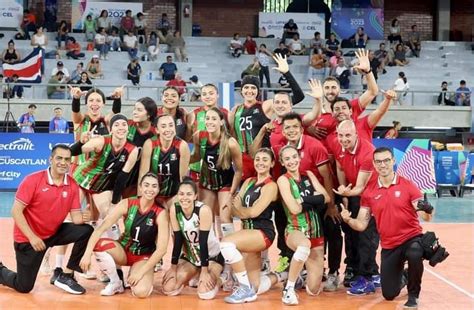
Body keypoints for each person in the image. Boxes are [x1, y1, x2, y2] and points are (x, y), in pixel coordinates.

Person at [341, 147, 434, 309]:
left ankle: (413, 296)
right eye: (378, 161)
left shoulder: (407, 185)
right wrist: (348, 219)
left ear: (393, 161)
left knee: (415, 252)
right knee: (389, 294)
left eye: (386, 161)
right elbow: (362, 224)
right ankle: (405, 276)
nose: (382, 165)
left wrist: (428, 208)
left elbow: (426, 217)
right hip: (389, 245)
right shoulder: (369, 192)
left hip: (411, 237)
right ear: (374, 164)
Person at [0, 145, 93, 294]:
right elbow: (15, 211)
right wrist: (32, 237)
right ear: (50, 159)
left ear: (71, 162)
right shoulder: (33, 180)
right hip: (28, 239)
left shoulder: (72, 184)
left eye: (67, 159)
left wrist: (85, 216)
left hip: (53, 232)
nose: (63, 162)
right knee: (24, 286)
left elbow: (76, 219)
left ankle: (66, 274)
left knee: (87, 230)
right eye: (59, 158)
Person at [79, 173, 169, 297]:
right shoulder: (127, 203)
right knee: (99, 245)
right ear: (140, 187)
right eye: (146, 185)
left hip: (143, 256)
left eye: (154, 186)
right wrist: (87, 253)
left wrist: (140, 272)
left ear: (158, 189)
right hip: (124, 251)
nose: (150, 189)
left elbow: (162, 249)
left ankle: (135, 272)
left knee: (141, 293)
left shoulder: (160, 213)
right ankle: (116, 282)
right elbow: (101, 229)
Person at [220, 148, 283, 303]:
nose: (260, 162)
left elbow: (253, 212)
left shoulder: (271, 186)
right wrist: (240, 210)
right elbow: (235, 210)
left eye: (265, 160)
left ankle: (244, 289)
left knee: (226, 244)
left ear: (272, 163)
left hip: (262, 232)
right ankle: (283, 275)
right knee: (255, 286)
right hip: (248, 232)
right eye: (258, 159)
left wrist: (238, 209)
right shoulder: (249, 181)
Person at [229, 54, 302, 180]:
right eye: (246, 88)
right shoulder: (235, 110)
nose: (249, 91)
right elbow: (233, 136)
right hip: (242, 159)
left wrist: (287, 73)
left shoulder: (265, 106)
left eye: (253, 88)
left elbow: (298, 96)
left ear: (258, 91)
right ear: (241, 91)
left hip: (262, 158)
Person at [277, 145, 331, 304]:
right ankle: (289, 289)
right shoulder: (283, 179)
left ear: (299, 157)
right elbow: (294, 209)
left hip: (316, 231)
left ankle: (298, 272)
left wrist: (302, 200)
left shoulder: (308, 174)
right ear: (282, 162)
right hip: (295, 229)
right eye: (287, 159)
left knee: (313, 290)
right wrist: (315, 199)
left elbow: (326, 197)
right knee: (303, 245)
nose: (292, 161)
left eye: (294, 157)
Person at [72, 114, 139, 227]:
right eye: (116, 125)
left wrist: (114, 202)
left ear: (128, 129)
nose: (121, 127)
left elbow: (122, 178)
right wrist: (81, 142)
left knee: (111, 215)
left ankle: (114, 243)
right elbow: (72, 152)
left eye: (124, 124)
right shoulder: (100, 141)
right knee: (70, 214)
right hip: (82, 179)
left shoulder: (132, 150)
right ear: (111, 129)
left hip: (101, 186)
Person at [162, 179, 223, 299]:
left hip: (211, 256)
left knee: (205, 294)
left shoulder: (203, 210)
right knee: (168, 288)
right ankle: (195, 272)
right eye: (181, 194)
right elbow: (178, 239)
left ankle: (221, 278)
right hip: (192, 257)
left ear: (195, 196)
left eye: (189, 194)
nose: (184, 198)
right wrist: (173, 267)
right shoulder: (175, 209)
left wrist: (205, 272)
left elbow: (203, 243)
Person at [191, 107, 242, 237]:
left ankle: (230, 249)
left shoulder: (230, 143)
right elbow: (196, 156)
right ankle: (211, 250)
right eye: (207, 118)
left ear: (221, 122)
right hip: (206, 183)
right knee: (205, 217)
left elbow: (239, 170)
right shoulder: (198, 136)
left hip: (225, 183)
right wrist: (181, 159)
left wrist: (232, 192)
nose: (210, 122)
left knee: (225, 218)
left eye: (214, 119)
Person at [139, 114, 190, 208]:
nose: (168, 129)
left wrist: (182, 198)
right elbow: (143, 174)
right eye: (163, 126)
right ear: (157, 130)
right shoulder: (150, 144)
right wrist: (141, 199)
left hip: (173, 195)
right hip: (152, 194)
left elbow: (183, 178)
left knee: (173, 210)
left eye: (171, 125)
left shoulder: (182, 146)